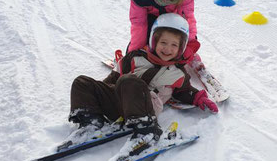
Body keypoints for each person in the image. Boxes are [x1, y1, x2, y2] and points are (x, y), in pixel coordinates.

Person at [69, 14, 218, 146]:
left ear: (180, 48)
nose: (167, 49)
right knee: (81, 82)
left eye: (174, 45)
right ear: (154, 41)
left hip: (145, 108)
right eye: (163, 43)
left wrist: (199, 98)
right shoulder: (135, 57)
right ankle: (91, 123)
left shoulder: (178, 73)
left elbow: (185, 91)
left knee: (129, 81)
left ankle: (147, 130)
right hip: (119, 103)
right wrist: (97, 94)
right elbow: (113, 78)